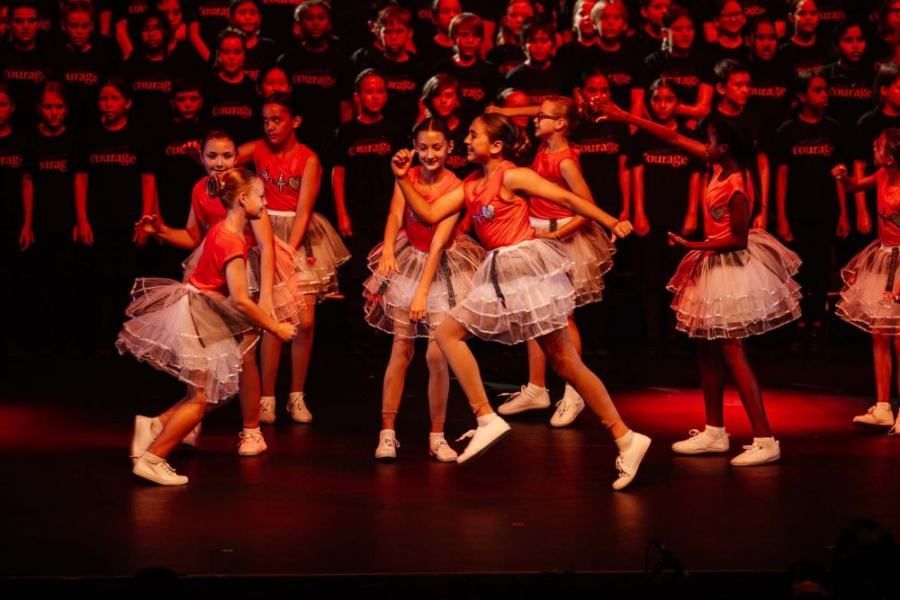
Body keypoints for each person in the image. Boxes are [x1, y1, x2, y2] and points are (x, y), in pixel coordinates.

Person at [392, 113, 651, 490]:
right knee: (557, 359)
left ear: (496, 146)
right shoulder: (470, 185)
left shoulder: (511, 175)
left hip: (524, 268)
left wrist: (610, 221)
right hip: (503, 272)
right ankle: (626, 438)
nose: (466, 140)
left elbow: (565, 196)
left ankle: (488, 417)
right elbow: (429, 213)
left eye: (473, 134)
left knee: (466, 338)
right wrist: (402, 179)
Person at [599, 98, 802, 467]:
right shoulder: (718, 166)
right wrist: (624, 114)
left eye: (709, 140)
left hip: (731, 266)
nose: (703, 145)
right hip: (714, 263)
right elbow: (673, 138)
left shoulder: (737, 184)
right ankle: (714, 430)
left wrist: (691, 244)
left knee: (731, 351)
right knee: (706, 348)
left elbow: (739, 238)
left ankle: (765, 438)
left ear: (723, 148)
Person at [121, 168, 297, 486]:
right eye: (260, 196)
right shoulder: (233, 244)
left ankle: (156, 426)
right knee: (201, 397)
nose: (265, 202)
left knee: (216, 391)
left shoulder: (219, 230)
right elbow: (242, 300)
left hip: (203, 311)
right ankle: (154, 458)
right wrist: (275, 327)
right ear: (243, 199)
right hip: (200, 316)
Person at [364, 118, 483, 462]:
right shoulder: (408, 175)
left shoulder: (455, 186)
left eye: (437, 147)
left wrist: (421, 293)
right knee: (401, 348)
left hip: (442, 267)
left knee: (436, 355)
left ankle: (437, 435)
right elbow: (395, 213)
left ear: (449, 148)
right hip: (409, 259)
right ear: (414, 147)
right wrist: (388, 248)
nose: (429, 154)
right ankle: (387, 433)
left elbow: (438, 243)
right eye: (423, 147)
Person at [833, 128, 900, 435]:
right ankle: (883, 406)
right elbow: (855, 186)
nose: (873, 150)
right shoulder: (881, 174)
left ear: (891, 154)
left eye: (878, 146)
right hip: (884, 256)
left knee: (899, 337)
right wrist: (842, 178)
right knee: (879, 332)